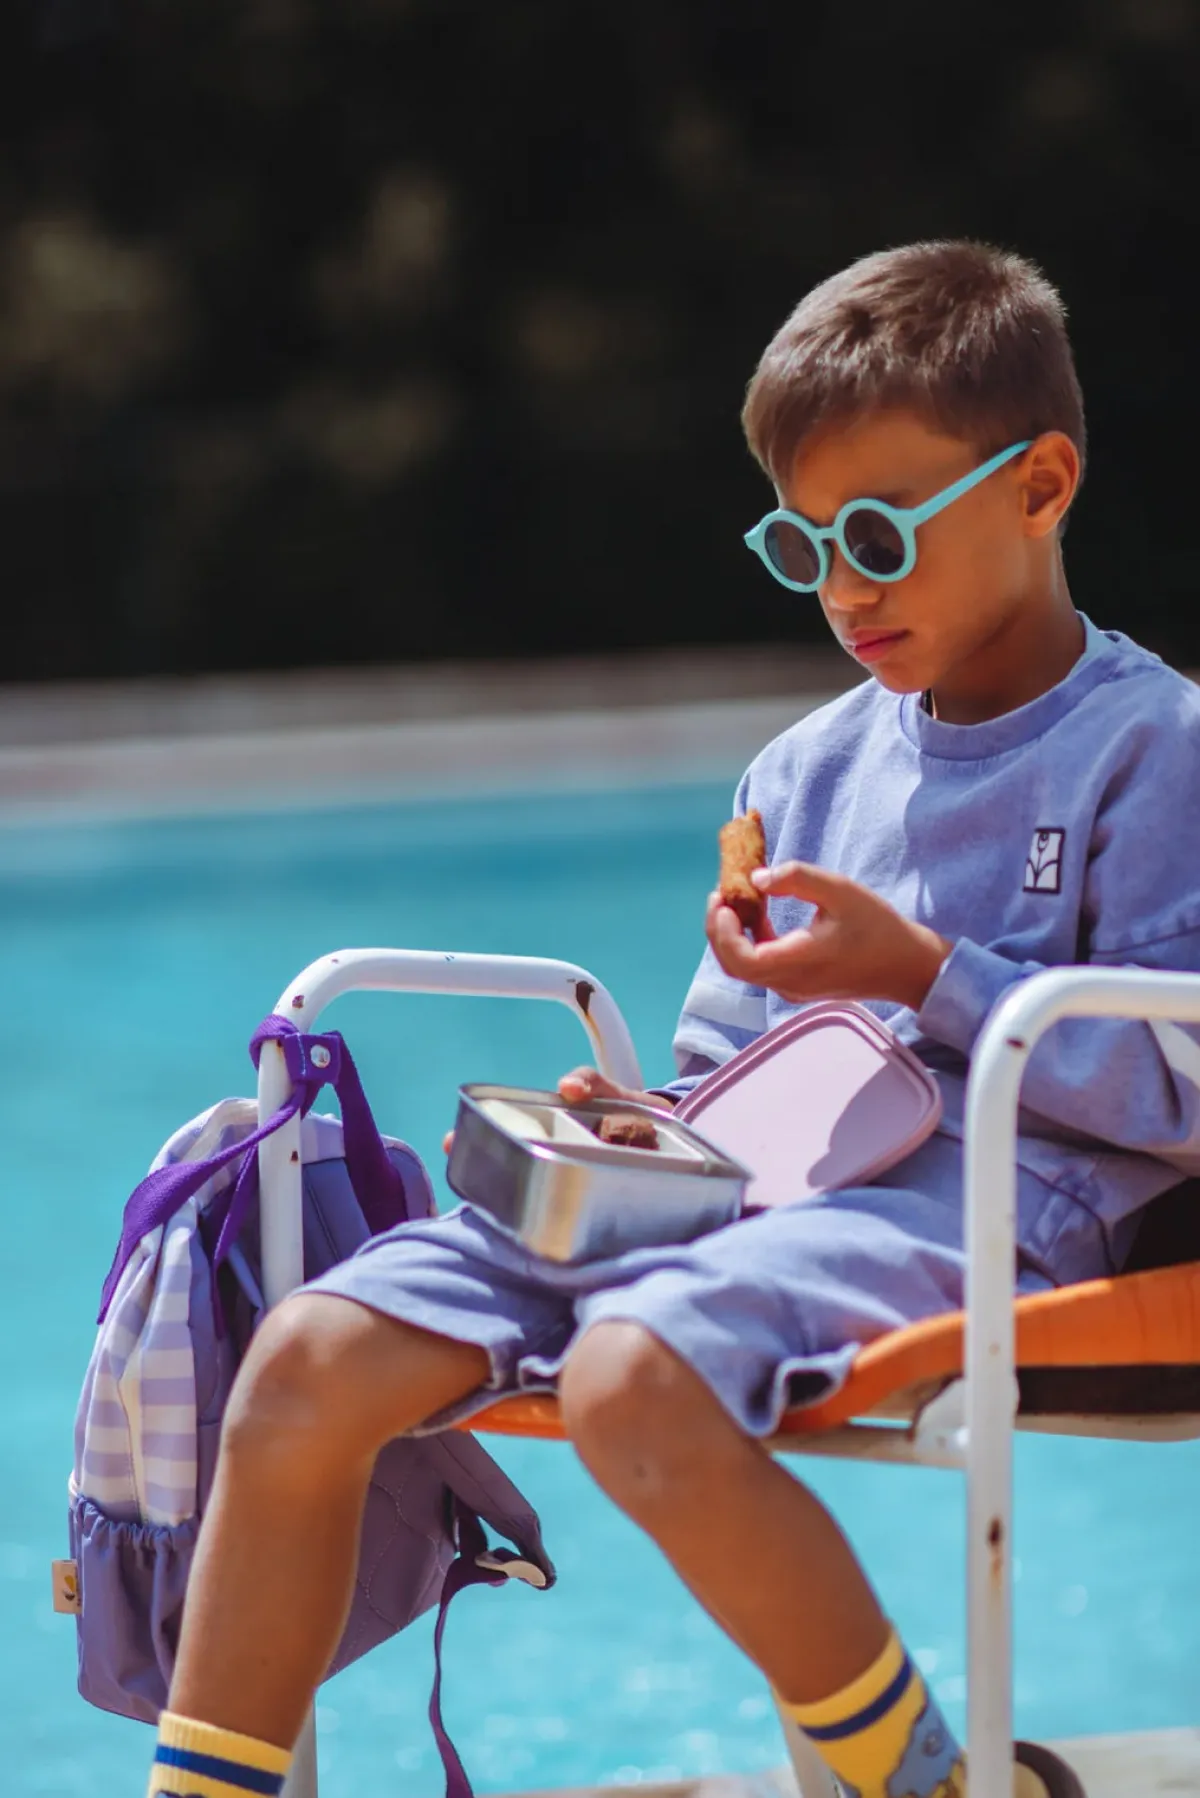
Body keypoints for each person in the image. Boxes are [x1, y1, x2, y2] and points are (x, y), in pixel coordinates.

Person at [144, 241, 1200, 1798]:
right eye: (801, 544)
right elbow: (729, 1070)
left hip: (980, 1212)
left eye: (876, 534)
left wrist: (925, 972)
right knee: (308, 1355)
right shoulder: (803, 769)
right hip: (739, 1201)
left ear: (1040, 486)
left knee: (634, 1375)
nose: (844, 589)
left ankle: (923, 1782)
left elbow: (1181, 1080)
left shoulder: (1153, 747)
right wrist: (645, 1126)